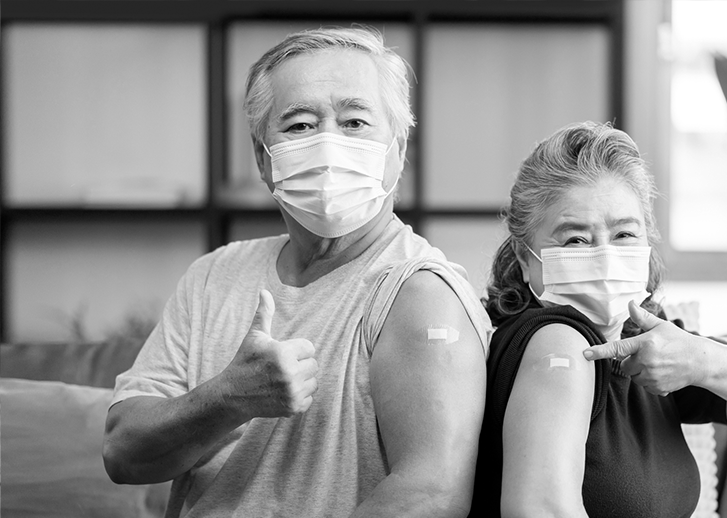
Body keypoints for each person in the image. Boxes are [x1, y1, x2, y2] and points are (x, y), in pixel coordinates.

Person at [102, 27, 491, 517]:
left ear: (398, 151)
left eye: (354, 122)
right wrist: (229, 398)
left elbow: (430, 497)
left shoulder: (422, 294)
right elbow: (123, 454)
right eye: (300, 125)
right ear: (263, 159)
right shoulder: (214, 275)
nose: (329, 145)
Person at [470, 121, 727, 517]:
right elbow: (540, 509)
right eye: (575, 239)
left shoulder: (643, 339)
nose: (605, 255)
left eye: (624, 234)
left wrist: (700, 361)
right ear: (526, 259)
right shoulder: (558, 342)